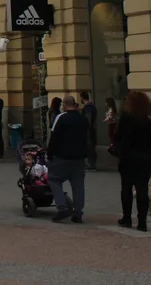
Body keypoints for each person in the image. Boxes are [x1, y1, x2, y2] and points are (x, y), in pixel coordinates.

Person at [114, 91, 151, 231]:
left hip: (128, 158)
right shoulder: (147, 120)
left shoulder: (126, 118)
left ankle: (127, 218)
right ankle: (142, 221)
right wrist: (150, 157)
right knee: (142, 189)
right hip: (144, 160)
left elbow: (118, 137)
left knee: (126, 188)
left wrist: (120, 152)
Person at [47, 95, 89, 223]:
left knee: (53, 179)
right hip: (79, 158)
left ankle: (62, 207)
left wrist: (49, 155)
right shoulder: (83, 119)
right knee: (78, 185)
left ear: (64, 105)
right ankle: (78, 213)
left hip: (62, 157)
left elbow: (54, 138)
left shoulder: (62, 119)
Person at [81, 91, 98, 170]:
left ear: (82, 98)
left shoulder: (87, 107)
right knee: (91, 147)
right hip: (91, 129)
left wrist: (87, 128)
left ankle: (91, 165)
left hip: (88, 130)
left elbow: (89, 118)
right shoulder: (92, 106)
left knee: (89, 147)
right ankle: (92, 164)